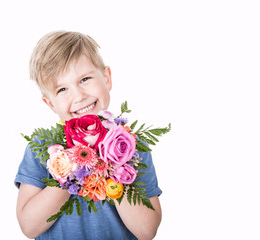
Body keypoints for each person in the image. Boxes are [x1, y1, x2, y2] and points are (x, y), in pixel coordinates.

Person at [14, 31, 162, 240]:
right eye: (62, 89)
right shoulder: (42, 147)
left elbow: (147, 231)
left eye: (85, 79)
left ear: (107, 78)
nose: (78, 95)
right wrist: (70, 170)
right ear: (50, 104)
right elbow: (29, 227)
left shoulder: (129, 145)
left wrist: (112, 161)